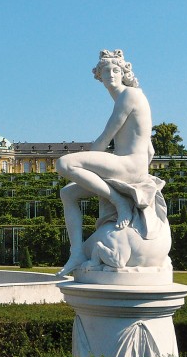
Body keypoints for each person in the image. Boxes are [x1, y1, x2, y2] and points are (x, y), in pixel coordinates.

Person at [56, 50, 155, 277]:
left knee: (65, 164)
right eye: (105, 71)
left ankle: (119, 201)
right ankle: (77, 253)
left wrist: (89, 168)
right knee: (67, 194)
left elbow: (104, 138)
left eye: (116, 70)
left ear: (124, 73)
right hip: (130, 166)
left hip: (128, 165)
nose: (111, 74)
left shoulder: (129, 95)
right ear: (99, 76)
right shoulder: (131, 97)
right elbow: (150, 149)